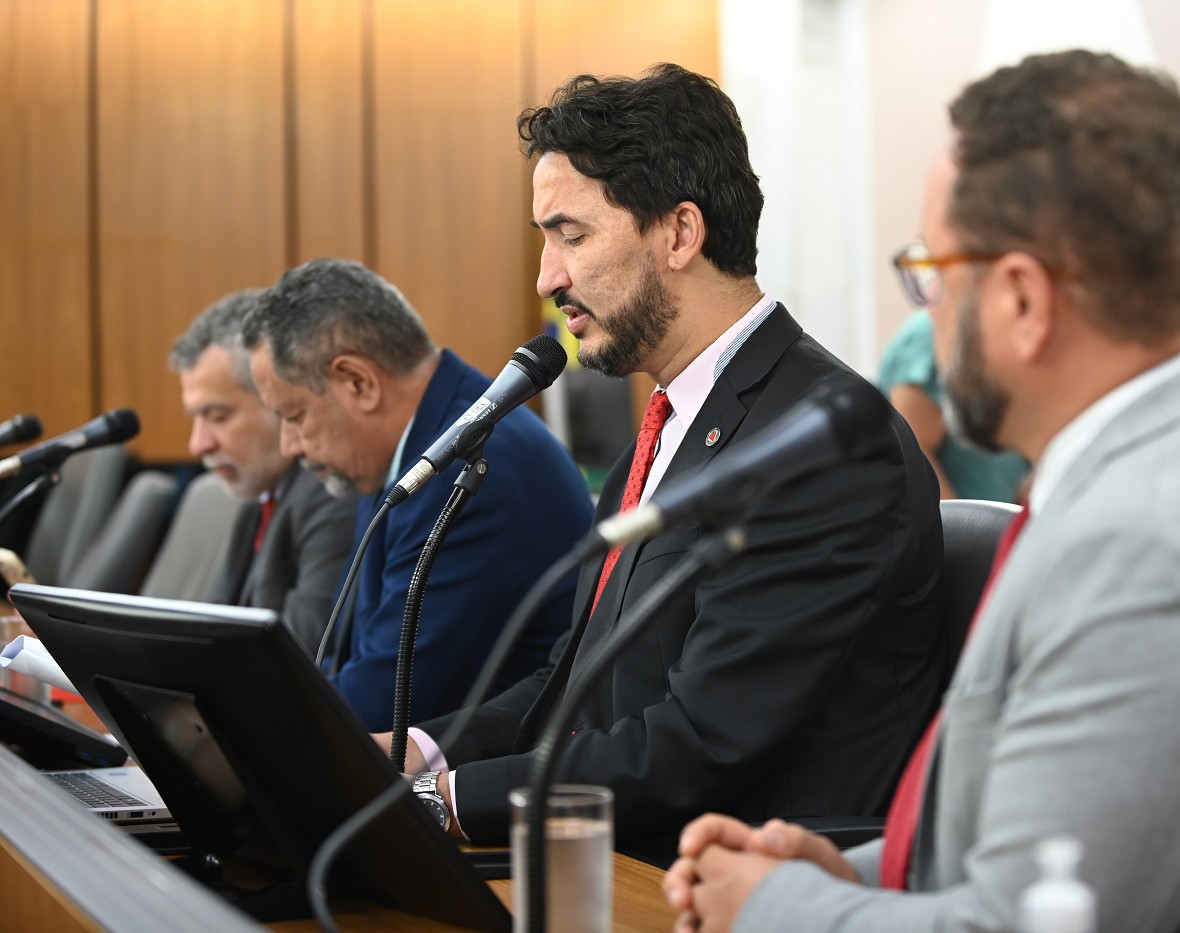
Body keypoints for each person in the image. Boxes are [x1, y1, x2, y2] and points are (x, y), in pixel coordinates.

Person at [665, 50, 1180, 931]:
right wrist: (852, 876)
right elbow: (1054, 838)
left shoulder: (1156, 549)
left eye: (935, 274)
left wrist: (773, 906)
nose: (927, 310)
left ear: (1022, 300)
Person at [390, 63, 946, 859]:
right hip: (621, 853)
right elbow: (570, 687)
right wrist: (412, 755)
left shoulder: (824, 448)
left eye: (572, 235)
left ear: (681, 233)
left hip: (727, 879)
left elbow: (699, 741)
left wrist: (440, 803)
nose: (547, 277)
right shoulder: (658, 436)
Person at [241, 258, 595, 732]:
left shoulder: (470, 470)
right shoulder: (406, 445)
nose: (289, 446)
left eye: (294, 416)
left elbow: (376, 714)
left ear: (358, 383)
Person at [170, 289, 357, 654]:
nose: (198, 444)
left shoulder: (331, 494)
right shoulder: (261, 494)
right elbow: (206, 633)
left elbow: (300, 658)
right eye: (196, 420)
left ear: (277, 398)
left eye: (218, 416)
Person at [878, 307, 1029, 501]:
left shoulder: (1007, 334)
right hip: (962, 516)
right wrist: (960, 520)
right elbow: (914, 454)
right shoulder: (930, 338)